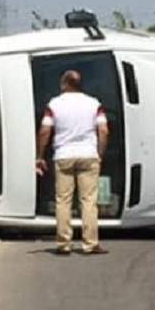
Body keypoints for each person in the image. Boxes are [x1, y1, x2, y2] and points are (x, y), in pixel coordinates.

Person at [36, 70, 110, 255]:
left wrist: (40, 156)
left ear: (63, 84)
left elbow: (45, 130)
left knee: (63, 200)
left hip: (63, 155)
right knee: (88, 200)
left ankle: (63, 244)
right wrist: (99, 153)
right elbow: (104, 130)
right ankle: (90, 243)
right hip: (88, 155)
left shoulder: (54, 104)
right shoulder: (94, 103)